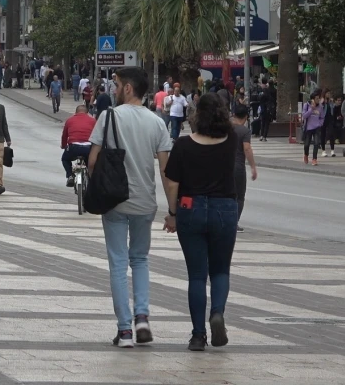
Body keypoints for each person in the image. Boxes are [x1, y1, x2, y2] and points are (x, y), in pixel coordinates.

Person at [87, 67, 172, 348]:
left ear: (128, 88)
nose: (113, 89)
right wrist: (172, 210)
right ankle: (143, 317)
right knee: (140, 259)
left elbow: (92, 160)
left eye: (117, 84)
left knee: (118, 263)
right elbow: (165, 169)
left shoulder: (108, 117)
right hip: (144, 202)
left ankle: (124, 331)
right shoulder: (157, 122)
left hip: (114, 201)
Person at [163, 92, 238, 352]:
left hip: (190, 207)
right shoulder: (232, 141)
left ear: (197, 114)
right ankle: (217, 312)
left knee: (196, 275)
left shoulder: (183, 145)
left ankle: (197, 336)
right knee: (220, 270)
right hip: (224, 208)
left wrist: (172, 213)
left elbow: (172, 182)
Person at [231, 105, 257, 233]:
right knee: (239, 196)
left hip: (223, 165)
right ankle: (233, 222)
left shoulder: (226, 128)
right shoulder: (245, 131)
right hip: (237, 167)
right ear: (246, 117)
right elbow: (247, 148)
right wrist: (253, 167)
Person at [61, 105, 96, 187]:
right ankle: (92, 179)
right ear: (87, 113)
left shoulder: (69, 120)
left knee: (65, 159)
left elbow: (64, 136)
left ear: (75, 113)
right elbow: (97, 135)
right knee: (91, 163)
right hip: (88, 147)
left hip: (74, 147)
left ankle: (70, 175)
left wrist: (63, 146)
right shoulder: (93, 120)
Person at [302, 90, 325, 166]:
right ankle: (306, 155)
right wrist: (311, 109)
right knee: (307, 144)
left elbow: (322, 117)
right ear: (312, 99)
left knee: (316, 143)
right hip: (308, 128)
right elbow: (304, 116)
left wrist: (320, 123)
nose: (318, 100)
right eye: (316, 99)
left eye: (319, 98)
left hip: (317, 127)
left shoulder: (320, 106)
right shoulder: (306, 105)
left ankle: (314, 159)